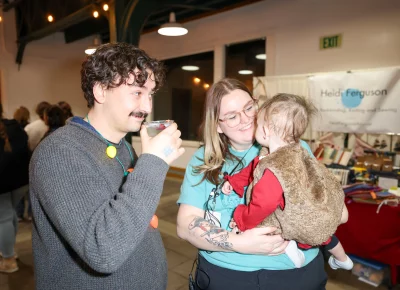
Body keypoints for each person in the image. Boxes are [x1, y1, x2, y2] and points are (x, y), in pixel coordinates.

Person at [29, 43, 184, 290]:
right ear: (101, 90)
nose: (147, 107)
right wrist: (153, 163)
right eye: (137, 92)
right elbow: (103, 250)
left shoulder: (124, 146)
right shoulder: (58, 152)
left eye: (150, 94)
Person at [177, 78, 327, 290]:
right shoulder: (204, 159)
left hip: (296, 274)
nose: (246, 119)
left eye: (249, 107)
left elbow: (326, 203)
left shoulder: (292, 147)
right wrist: (239, 243)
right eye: (231, 116)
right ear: (217, 126)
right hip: (227, 276)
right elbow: (185, 225)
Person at [221, 93, 353, 270]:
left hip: (295, 219)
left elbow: (262, 206)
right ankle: (343, 259)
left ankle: (292, 251)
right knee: (325, 235)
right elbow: (254, 167)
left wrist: (241, 217)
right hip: (313, 212)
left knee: (269, 227)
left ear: (266, 131)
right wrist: (235, 182)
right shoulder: (294, 152)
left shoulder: (274, 169)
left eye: (257, 125)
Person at [0, 103, 30, 273]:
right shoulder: (15, 127)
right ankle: (9, 248)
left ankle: (9, 259)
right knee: (9, 214)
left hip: (3, 185)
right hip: (20, 181)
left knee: (3, 219)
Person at [13, 106, 32, 221]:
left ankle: (19, 214)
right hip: (26, 162)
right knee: (29, 191)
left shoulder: (12, 130)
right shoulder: (26, 129)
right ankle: (30, 213)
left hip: (15, 164)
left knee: (18, 193)